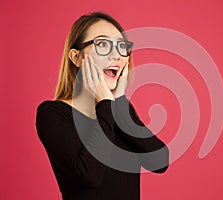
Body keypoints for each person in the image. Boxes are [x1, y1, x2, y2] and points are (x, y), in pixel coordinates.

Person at [35, 11, 169, 200]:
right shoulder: (53, 113)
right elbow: (89, 175)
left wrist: (119, 104)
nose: (116, 56)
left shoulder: (121, 110)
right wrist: (105, 104)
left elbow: (160, 161)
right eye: (103, 44)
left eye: (121, 47)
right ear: (76, 57)